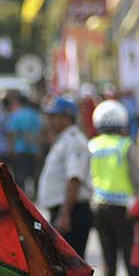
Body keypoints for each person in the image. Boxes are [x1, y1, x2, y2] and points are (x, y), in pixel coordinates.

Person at [88, 100, 139, 276]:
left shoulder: (92, 145)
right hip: (123, 208)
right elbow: (136, 179)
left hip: (99, 205)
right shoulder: (125, 145)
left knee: (108, 255)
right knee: (130, 253)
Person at [38, 97, 93, 258]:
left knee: (70, 269)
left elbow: (74, 179)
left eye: (53, 116)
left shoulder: (74, 141)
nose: (49, 120)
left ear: (66, 118)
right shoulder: (63, 139)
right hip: (64, 210)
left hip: (72, 211)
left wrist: (65, 214)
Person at [4, 94, 43, 196]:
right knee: (33, 173)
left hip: (19, 149)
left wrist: (10, 148)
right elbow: (40, 133)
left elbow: (11, 133)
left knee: (20, 173)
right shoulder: (35, 115)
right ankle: (34, 194)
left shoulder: (16, 115)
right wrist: (39, 149)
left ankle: (21, 195)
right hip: (33, 150)